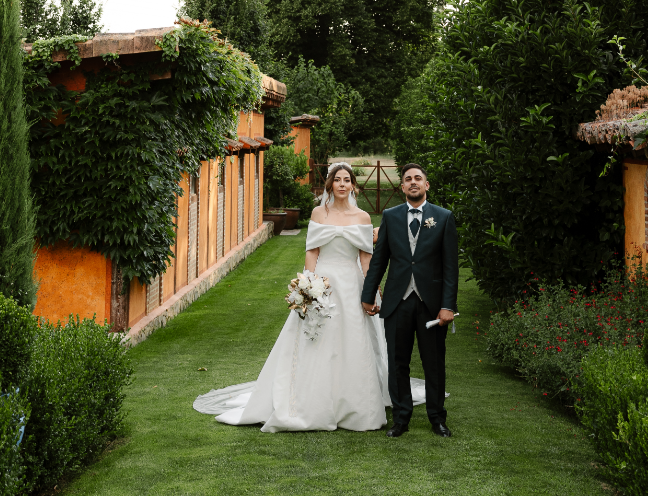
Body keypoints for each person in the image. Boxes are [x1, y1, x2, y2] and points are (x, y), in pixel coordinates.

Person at [191, 163, 445, 430]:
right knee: (318, 340)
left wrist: (373, 290)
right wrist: (308, 286)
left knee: (353, 340)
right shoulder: (317, 213)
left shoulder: (362, 217)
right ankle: (309, 402)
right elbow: (312, 251)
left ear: (353, 186)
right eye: (338, 180)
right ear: (330, 185)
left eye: (347, 180)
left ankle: (354, 405)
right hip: (323, 283)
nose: (343, 185)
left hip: (351, 284)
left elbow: (367, 258)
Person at [360, 163, 459, 438]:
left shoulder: (444, 217)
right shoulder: (390, 217)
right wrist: (368, 296)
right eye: (407, 179)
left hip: (432, 305)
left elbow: (451, 267)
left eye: (418, 178)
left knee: (434, 364)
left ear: (427, 185)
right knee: (397, 362)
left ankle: (437, 418)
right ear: (402, 187)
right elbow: (379, 260)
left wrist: (448, 305)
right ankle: (401, 418)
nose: (413, 182)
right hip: (397, 302)